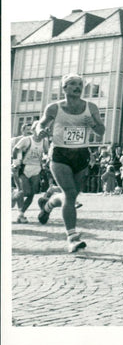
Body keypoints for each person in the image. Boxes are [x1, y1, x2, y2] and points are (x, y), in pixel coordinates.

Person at [36, 74, 105, 252]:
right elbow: (39, 125)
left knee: (71, 196)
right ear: (64, 88)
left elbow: (101, 131)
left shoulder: (90, 107)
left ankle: (48, 204)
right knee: (70, 192)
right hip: (60, 154)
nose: (77, 87)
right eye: (72, 84)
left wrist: (93, 124)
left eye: (80, 84)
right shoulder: (54, 107)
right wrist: (41, 131)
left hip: (81, 154)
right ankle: (72, 238)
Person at [12, 123, 50, 223]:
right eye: (40, 130)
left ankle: (21, 214)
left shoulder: (44, 141)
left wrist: (46, 160)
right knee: (24, 191)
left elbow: (46, 152)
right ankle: (12, 197)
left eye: (43, 131)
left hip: (36, 168)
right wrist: (16, 163)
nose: (42, 133)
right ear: (34, 130)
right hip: (24, 168)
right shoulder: (26, 140)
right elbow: (15, 150)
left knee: (31, 194)